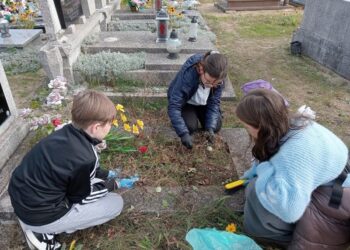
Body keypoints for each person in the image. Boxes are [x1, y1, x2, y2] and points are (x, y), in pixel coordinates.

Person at [8, 90, 137, 250]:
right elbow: (83, 197)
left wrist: (106, 174)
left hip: (22, 198)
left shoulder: (65, 132)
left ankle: (42, 225)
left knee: (95, 182)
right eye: (109, 123)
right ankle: (43, 232)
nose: (111, 126)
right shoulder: (86, 157)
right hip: (40, 216)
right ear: (96, 127)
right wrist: (115, 184)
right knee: (115, 203)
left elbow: (75, 170)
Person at [236, 89, 350, 249]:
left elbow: (290, 211)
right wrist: (250, 174)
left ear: (259, 127)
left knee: (255, 191)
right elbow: (268, 154)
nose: (246, 129)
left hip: (334, 201)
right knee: (255, 185)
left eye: (246, 125)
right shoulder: (291, 123)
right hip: (333, 177)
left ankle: (271, 236)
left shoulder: (292, 156)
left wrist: (264, 170)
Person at [167, 51, 228, 149]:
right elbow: (174, 105)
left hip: (203, 104)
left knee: (215, 126)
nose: (211, 85)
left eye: (215, 83)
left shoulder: (219, 77)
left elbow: (213, 103)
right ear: (202, 69)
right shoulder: (189, 73)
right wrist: (183, 134)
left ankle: (201, 117)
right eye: (208, 81)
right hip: (187, 102)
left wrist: (210, 128)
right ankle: (189, 116)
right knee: (190, 127)